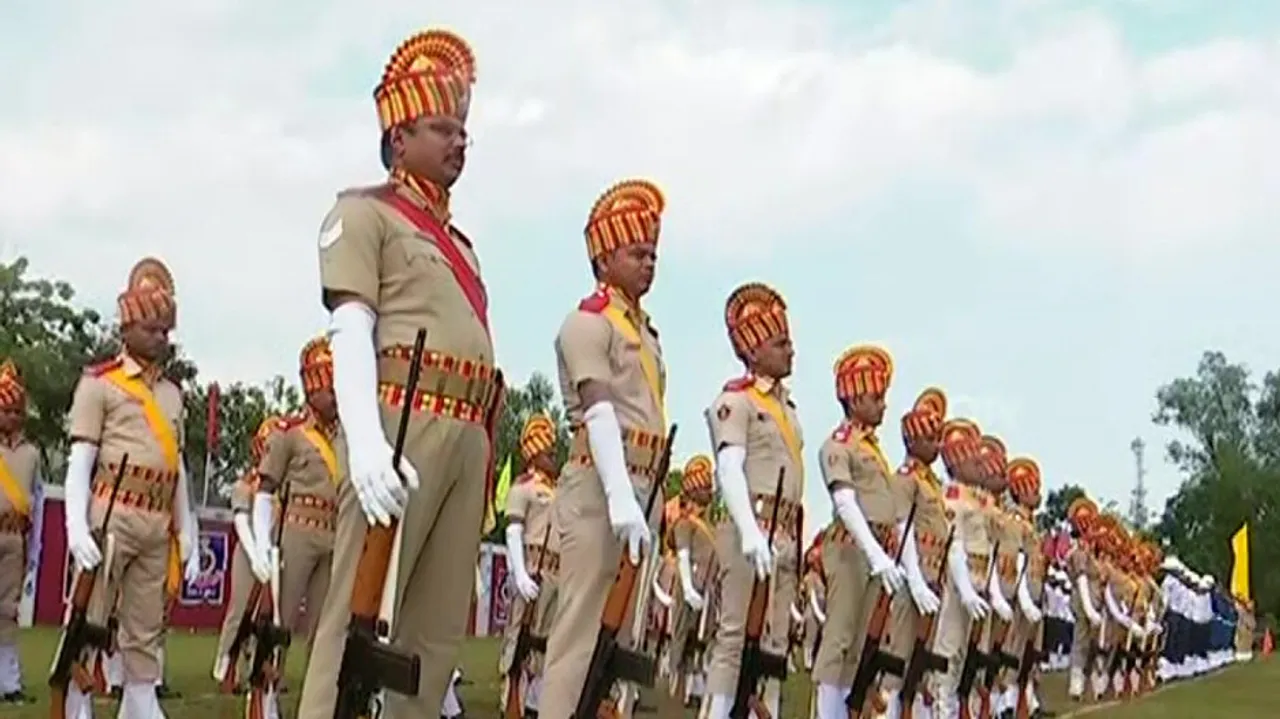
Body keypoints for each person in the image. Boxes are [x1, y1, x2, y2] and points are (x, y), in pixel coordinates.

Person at [299, 26, 504, 718]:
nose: (459, 141)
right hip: (401, 423)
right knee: (354, 625)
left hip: (466, 433)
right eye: (442, 128)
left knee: (432, 639)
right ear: (398, 136)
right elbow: (351, 324)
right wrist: (364, 441)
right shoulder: (365, 214)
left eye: (463, 130)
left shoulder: (463, 248)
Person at [538, 177, 669, 718]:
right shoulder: (588, 322)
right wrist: (618, 494)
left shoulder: (647, 333)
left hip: (646, 486)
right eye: (637, 252)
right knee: (580, 633)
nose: (649, 263)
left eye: (653, 253)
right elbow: (597, 405)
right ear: (604, 257)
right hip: (601, 484)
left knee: (623, 636)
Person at [62, 257, 202, 718]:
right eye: (152, 329)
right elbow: (80, 461)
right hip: (112, 514)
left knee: (145, 630)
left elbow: (178, 468)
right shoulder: (99, 384)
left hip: (156, 523)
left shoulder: (173, 394)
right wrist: (76, 527)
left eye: (166, 330)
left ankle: (140, 705)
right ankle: (76, 706)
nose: (161, 337)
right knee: (90, 621)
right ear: (127, 328)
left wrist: (188, 531)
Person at [702, 283, 803, 719]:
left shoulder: (787, 408)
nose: (791, 350)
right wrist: (748, 530)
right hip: (752, 525)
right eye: (780, 343)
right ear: (754, 350)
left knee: (774, 643)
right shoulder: (736, 401)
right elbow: (729, 466)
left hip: (784, 530)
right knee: (734, 636)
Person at [811, 345, 909, 719]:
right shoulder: (839, 445)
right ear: (854, 400)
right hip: (851, 549)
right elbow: (844, 502)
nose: (883, 405)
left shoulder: (872, 449)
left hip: (875, 552)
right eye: (876, 397)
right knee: (839, 639)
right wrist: (875, 553)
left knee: (858, 645)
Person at [251, 337, 342, 671]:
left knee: (326, 624)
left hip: (335, 533)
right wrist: (262, 543)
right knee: (280, 617)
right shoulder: (289, 433)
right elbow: (265, 488)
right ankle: (265, 689)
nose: (336, 396)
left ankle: (318, 692)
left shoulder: (348, 437)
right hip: (297, 532)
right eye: (330, 388)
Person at [880, 387, 950, 718]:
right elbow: (901, 526)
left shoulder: (932, 482)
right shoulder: (905, 479)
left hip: (933, 575)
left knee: (921, 658)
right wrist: (916, 579)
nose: (937, 445)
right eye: (931, 439)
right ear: (913, 441)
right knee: (900, 654)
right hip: (912, 576)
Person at [926, 418, 992, 718]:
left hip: (975, 580)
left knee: (961, 655)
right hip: (956, 582)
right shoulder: (952, 497)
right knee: (948, 652)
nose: (979, 464)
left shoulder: (973, 497)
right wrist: (965, 589)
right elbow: (954, 544)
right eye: (972, 458)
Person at [212, 416, 284, 687]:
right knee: (239, 610)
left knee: (269, 615)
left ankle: (260, 667)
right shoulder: (246, 483)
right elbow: (241, 520)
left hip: (274, 555)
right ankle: (225, 667)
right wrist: (255, 556)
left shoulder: (282, 485)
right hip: (249, 553)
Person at [498, 412, 561, 718]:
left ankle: (534, 706)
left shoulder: (560, 491)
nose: (554, 456)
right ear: (535, 452)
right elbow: (514, 529)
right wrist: (519, 573)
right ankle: (509, 705)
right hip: (532, 569)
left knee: (544, 645)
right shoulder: (523, 487)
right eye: (549, 451)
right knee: (519, 642)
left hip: (555, 575)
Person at [0, 360, 38, 704]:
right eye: (5, 410)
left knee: (8, 610)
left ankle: (8, 681)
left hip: (15, 538)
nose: (11, 417)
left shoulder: (31, 454)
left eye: (16, 411)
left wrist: (33, 550)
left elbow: (36, 501)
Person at [666, 455, 717, 706]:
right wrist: (687, 588)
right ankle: (675, 686)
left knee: (701, 638)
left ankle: (694, 687)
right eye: (704, 487)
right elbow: (683, 554)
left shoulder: (711, 527)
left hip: (707, 589)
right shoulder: (685, 523)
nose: (709, 492)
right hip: (689, 587)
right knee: (681, 636)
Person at [1003, 456, 1046, 715]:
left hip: (1034, 592)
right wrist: (1024, 598)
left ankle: (1029, 703)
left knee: (1030, 654)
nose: (1037, 493)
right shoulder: (1015, 522)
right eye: (1033, 488)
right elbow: (1017, 559)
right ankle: (1007, 704)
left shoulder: (1031, 522)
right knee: (1015, 650)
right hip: (1021, 595)